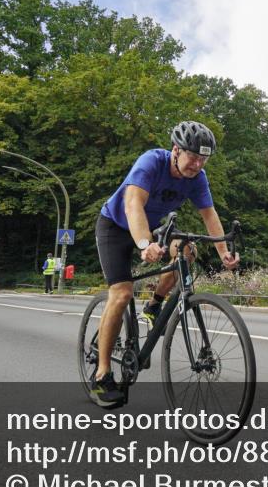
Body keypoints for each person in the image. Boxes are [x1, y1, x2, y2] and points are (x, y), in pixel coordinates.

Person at [90, 121, 239, 408]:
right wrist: (144, 244)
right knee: (121, 294)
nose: (197, 164)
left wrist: (223, 252)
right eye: (192, 156)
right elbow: (133, 205)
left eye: (203, 159)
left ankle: (154, 305)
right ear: (176, 150)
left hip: (154, 227)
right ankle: (102, 374)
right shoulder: (151, 162)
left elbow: (209, 214)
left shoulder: (198, 177)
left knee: (187, 251)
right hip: (115, 226)